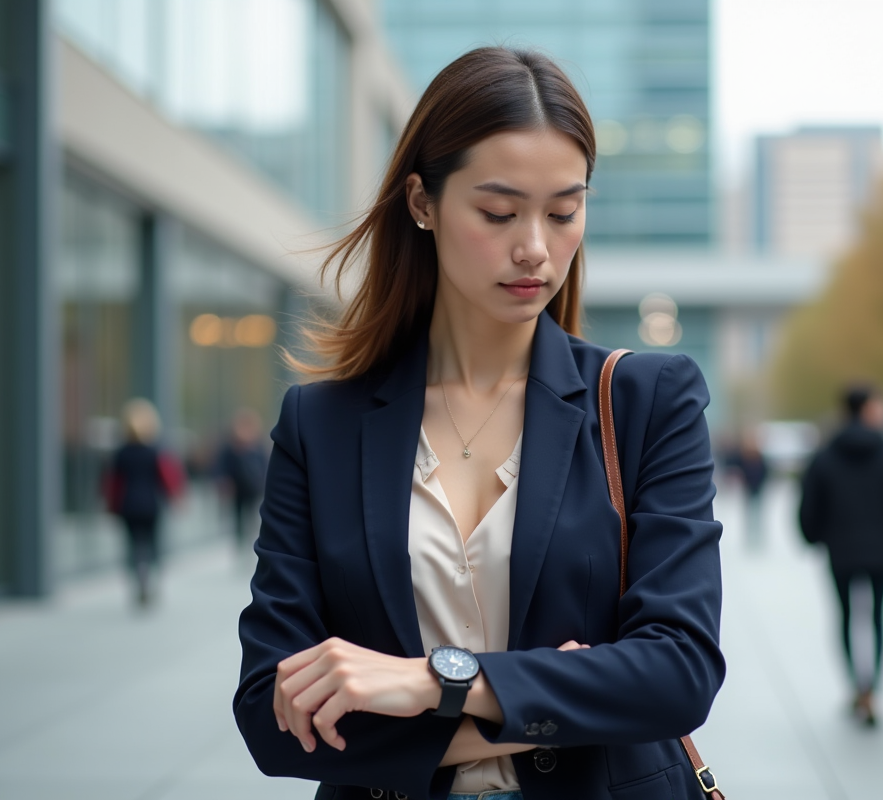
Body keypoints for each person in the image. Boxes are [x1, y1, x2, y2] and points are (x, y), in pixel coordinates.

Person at [233, 48, 725, 800]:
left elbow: (679, 672)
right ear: (422, 203)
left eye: (564, 211)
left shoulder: (646, 401)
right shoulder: (322, 422)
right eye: (498, 213)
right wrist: (559, 695)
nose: (535, 246)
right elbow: (272, 717)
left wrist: (432, 682)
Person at [798, 384, 883, 726]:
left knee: (846, 617)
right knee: (880, 616)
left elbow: (809, 506)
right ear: (866, 409)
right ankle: (874, 689)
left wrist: (815, 538)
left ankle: (855, 685)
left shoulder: (825, 455)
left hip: (840, 549)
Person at [103, 398, 185, 608]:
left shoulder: (121, 452)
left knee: (133, 545)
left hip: (128, 505)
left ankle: (139, 579)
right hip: (151, 505)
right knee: (151, 544)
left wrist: (110, 505)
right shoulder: (155, 450)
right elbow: (167, 477)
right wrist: (176, 497)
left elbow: (114, 482)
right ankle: (149, 578)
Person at [216, 408, 268, 553]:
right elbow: (221, 466)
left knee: (251, 515)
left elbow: (265, 465)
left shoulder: (257, 446)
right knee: (238, 516)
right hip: (237, 488)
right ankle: (240, 541)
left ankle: (248, 539)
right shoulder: (231, 447)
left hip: (253, 488)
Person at [723, 431, 768, 547]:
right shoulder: (743, 456)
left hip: (757, 489)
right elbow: (736, 467)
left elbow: (765, 471)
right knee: (748, 513)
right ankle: (750, 536)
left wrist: (761, 482)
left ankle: (757, 535)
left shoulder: (760, 456)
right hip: (748, 488)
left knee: (757, 513)